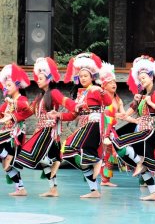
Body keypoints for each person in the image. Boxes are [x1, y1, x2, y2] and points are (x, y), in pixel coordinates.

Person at [111, 55, 155, 201]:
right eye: (140, 78)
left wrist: (151, 103)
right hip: (142, 129)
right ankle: (153, 193)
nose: (141, 80)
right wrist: (122, 115)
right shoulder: (142, 95)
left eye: (144, 77)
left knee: (121, 142)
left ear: (152, 77)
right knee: (143, 165)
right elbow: (130, 111)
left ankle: (139, 162)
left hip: (150, 130)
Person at [15, 57, 76, 197]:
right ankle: (53, 189)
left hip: (49, 132)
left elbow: (65, 102)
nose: (37, 80)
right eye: (38, 78)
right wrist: (12, 117)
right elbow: (28, 112)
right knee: (42, 163)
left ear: (48, 78)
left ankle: (55, 162)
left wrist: (75, 107)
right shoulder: (39, 97)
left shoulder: (53, 93)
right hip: (41, 131)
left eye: (41, 78)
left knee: (29, 155)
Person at [59, 52, 112, 198]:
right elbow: (73, 115)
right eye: (80, 76)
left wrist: (101, 90)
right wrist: (59, 116)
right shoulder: (80, 94)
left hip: (94, 125)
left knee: (72, 146)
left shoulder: (95, 90)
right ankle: (94, 191)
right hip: (84, 127)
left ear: (92, 77)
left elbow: (108, 102)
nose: (82, 78)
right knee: (71, 153)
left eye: (85, 76)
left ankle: (97, 161)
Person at [0, 64, 33, 196]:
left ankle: (7, 156)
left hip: (15, 134)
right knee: (6, 164)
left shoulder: (20, 99)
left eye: (9, 85)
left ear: (17, 85)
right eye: (5, 86)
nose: (6, 88)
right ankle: (20, 188)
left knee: (7, 160)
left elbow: (27, 107)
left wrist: (12, 103)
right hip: (6, 133)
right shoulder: (7, 102)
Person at [98, 62, 125, 187]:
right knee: (104, 153)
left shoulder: (118, 100)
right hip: (102, 128)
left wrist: (135, 120)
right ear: (104, 85)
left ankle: (105, 180)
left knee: (110, 154)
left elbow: (123, 115)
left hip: (112, 130)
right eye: (110, 82)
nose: (114, 84)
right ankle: (103, 179)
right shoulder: (101, 97)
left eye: (114, 82)